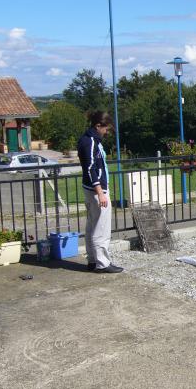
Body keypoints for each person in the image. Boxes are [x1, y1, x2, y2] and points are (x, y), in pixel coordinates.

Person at [78, 111, 123, 273]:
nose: (107, 132)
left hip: (90, 190)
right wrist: (100, 192)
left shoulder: (89, 140)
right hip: (97, 191)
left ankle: (92, 260)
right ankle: (102, 263)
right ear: (98, 126)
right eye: (106, 129)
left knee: (92, 225)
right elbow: (90, 168)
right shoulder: (90, 142)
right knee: (101, 228)